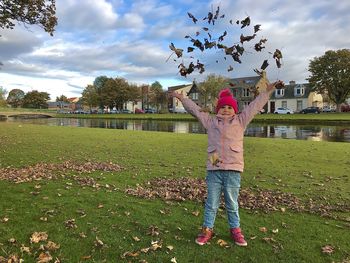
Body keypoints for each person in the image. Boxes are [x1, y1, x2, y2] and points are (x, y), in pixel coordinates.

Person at [170, 80, 283, 247]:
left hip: (233, 170)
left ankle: (235, 230)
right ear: (218, 109)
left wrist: (267, 91)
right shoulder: (210, 122)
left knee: (232, 203)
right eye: (223, 107)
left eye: (230, 107)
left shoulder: (241, 121)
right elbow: (195, 110)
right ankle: (207, 229)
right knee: (212, 203)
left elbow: (254, 105)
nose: (226, 110)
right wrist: (183, 98)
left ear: (235, 110)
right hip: (214, 168)